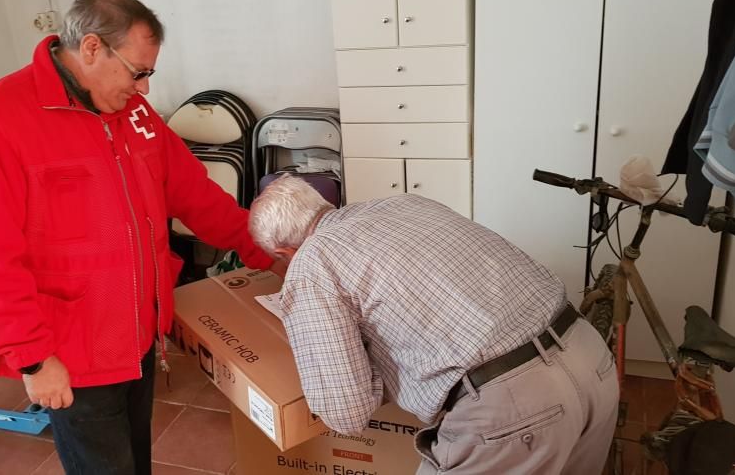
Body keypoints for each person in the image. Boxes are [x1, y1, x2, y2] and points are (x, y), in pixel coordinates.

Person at [0, 0, 278, 474]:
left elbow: (197, 197)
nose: (142, 89)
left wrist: (268, 251)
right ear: (93, 48)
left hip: (139, 334)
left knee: (133, 462)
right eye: (137, 71)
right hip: (73, 353)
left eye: (149, 75)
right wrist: (33, 359)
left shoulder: (134, 115)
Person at [248, 175, 620, 474]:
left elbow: (346, 412)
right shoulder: (405, 202)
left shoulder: (313, 260)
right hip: (590, 355)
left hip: (517, 410)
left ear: (285, 253)